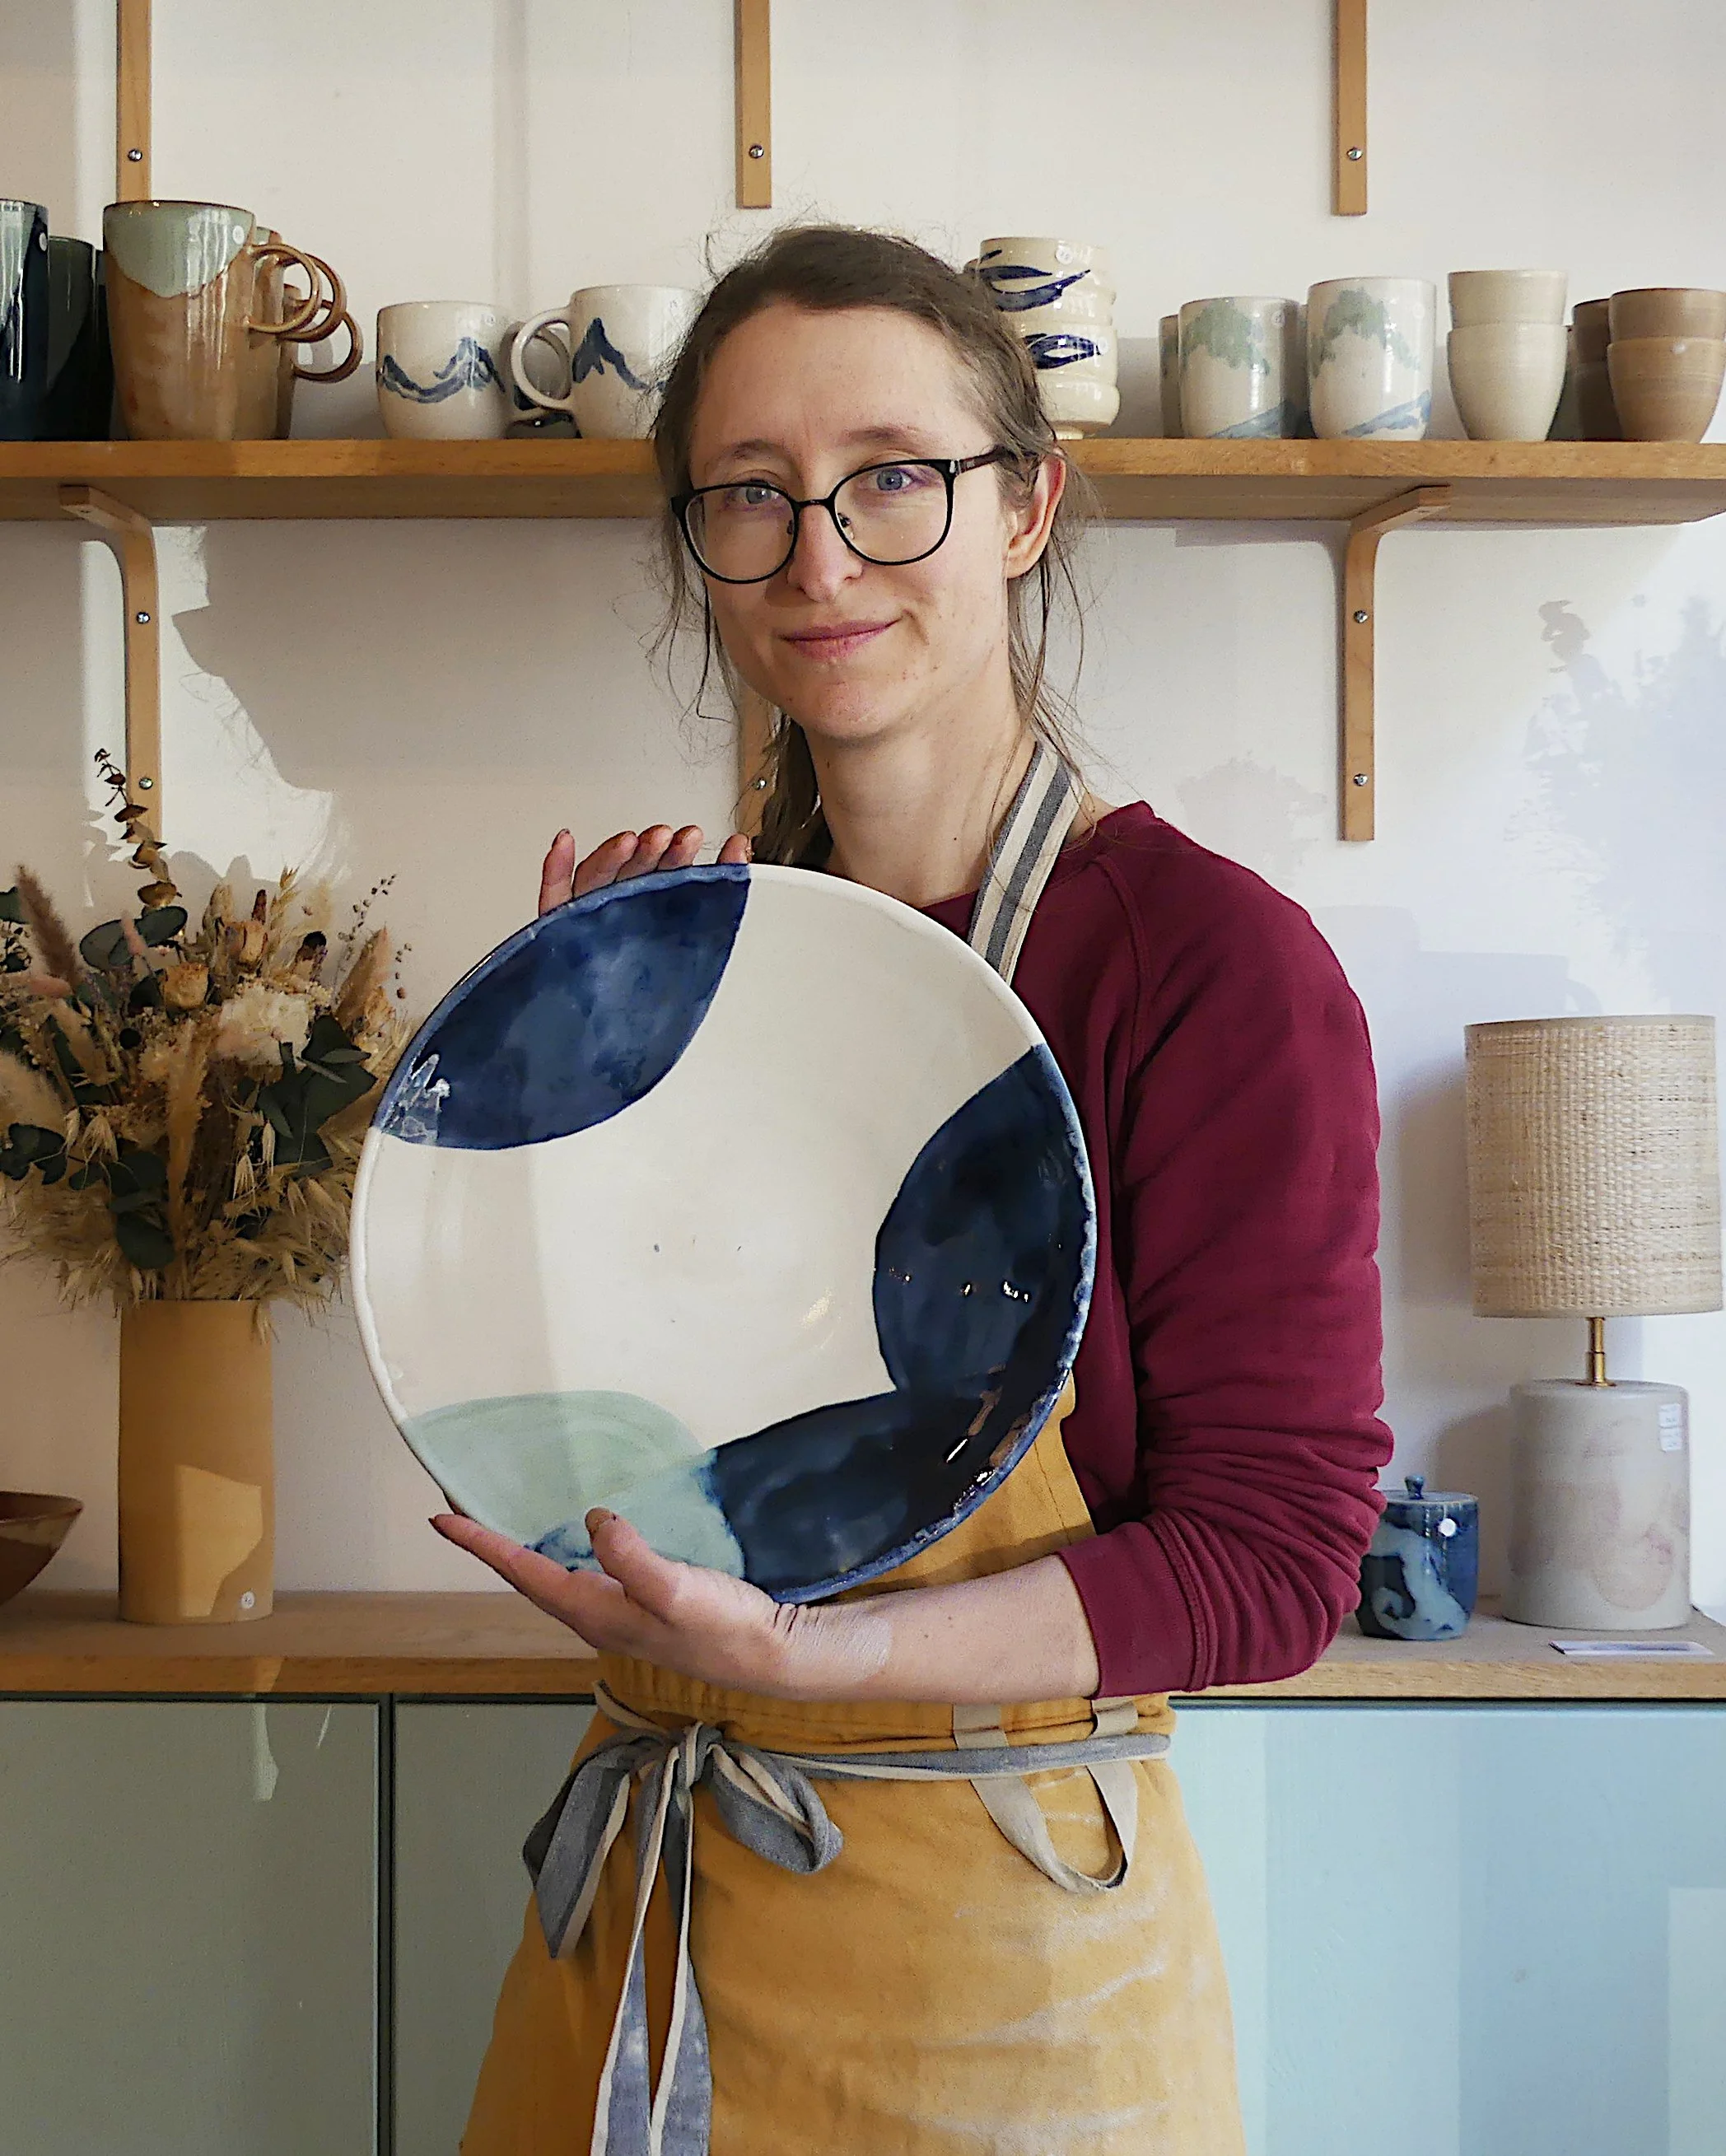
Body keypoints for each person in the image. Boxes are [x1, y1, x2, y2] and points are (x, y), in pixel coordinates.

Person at [439, 225, 1392, 2156]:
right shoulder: (706, 959)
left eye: (891, 477)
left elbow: (1274, 1559)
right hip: (648, 1923)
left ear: (1025, 507)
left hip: (1002, 1952)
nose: (819, 557)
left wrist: (819, 1660)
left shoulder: (1206, 966)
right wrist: (567, 1097)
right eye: (751, 494)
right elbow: (614, 1437)